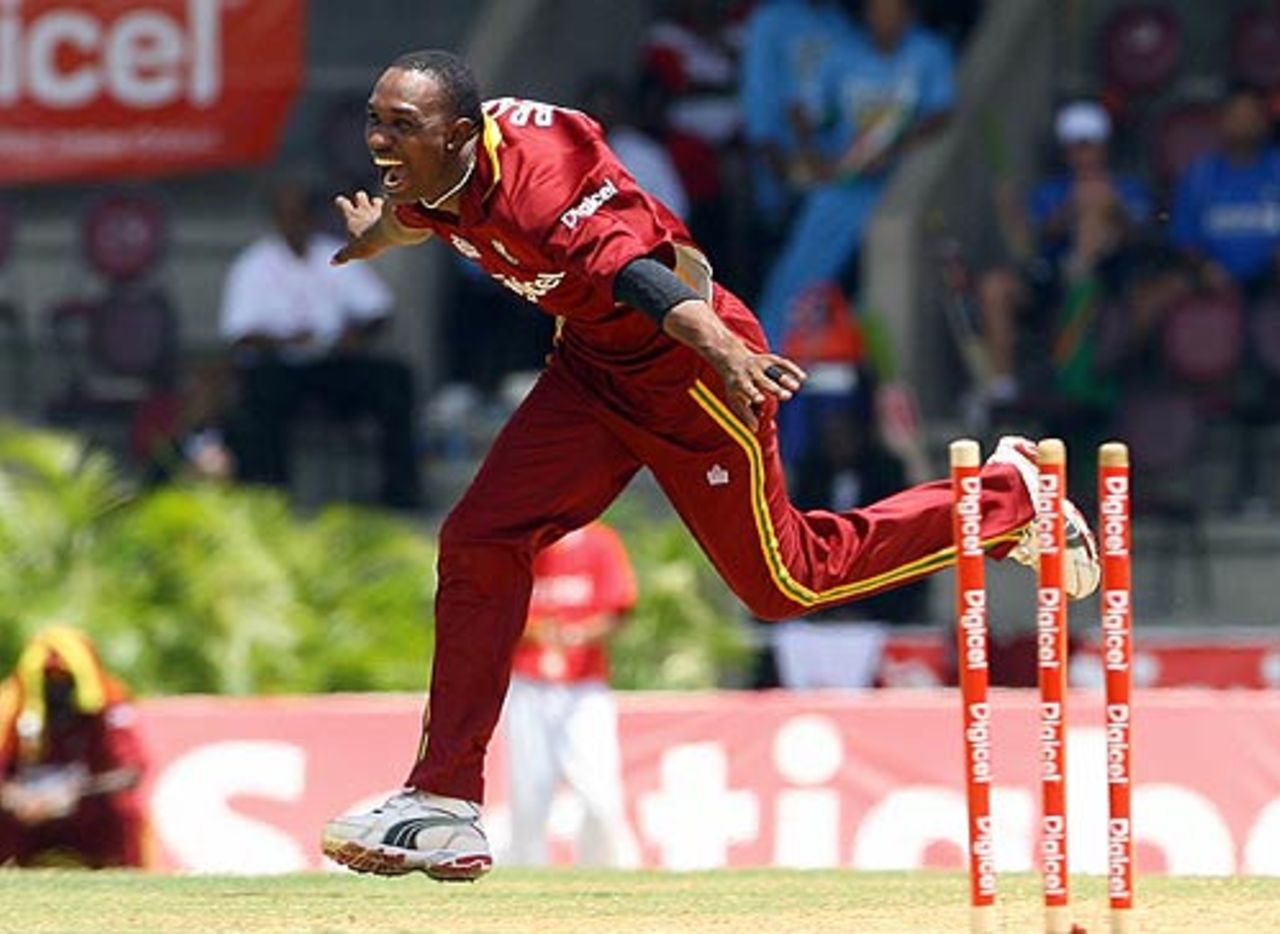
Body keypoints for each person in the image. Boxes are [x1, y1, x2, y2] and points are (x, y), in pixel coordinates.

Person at [320, 49, 1099, 881]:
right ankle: (444, 802)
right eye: (376, 120)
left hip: (691, 368)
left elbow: (641, 275)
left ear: (460, 133)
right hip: (592, 371)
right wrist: (383, 233)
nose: (380, 141)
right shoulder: (444, 170)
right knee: (480, 537)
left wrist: (725, 349)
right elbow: (431, 213)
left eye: (401, 126)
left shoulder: (540, 182)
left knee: (786, 582)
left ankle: (1010, 499)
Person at [754, 0, 956, 345]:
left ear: (909, 13)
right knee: (801, 270)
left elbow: (941, 115)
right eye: (876, 9)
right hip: (845, 182)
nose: (883, 18)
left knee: (883, 284)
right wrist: (811, 153)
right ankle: (769, 352)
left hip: (898, 183)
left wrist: (895, 150)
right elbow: (805, 107)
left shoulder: (928, 53)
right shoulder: (843, 54)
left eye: (892, 9)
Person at [220, 180, 423, 509]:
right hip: (281, 365)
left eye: (300, 215)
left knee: (395, 379)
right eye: (286, 216)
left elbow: (378, 310)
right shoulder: (254, 264)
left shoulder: (336, 254)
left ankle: (400, 493)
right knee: (259, 392)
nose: (294, 223)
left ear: (312, 218)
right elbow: (240, 332)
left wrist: (355, 334)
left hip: (332, 363)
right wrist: (286, 339)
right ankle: (272, 497)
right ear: (276, 219)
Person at [504, 521, 639, 867]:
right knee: (530, 792)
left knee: (599, 791)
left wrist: (579, 634)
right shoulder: (520, 542)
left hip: (584, 686)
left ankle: (608, 872)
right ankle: (526, 876)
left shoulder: (599, 542)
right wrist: (537, 632)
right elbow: (495, 609)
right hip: (529, 684)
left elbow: (619, 608)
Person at [0, 627, 147, 868]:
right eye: (48, 680)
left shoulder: (108, 703)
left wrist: (74, 792)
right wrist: (18, 797)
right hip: (25, 821)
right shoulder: (9, 704)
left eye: (65, 680)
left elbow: (131, 771)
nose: (56, 691)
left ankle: (121, 882)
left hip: (86, 815)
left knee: (121, 813)